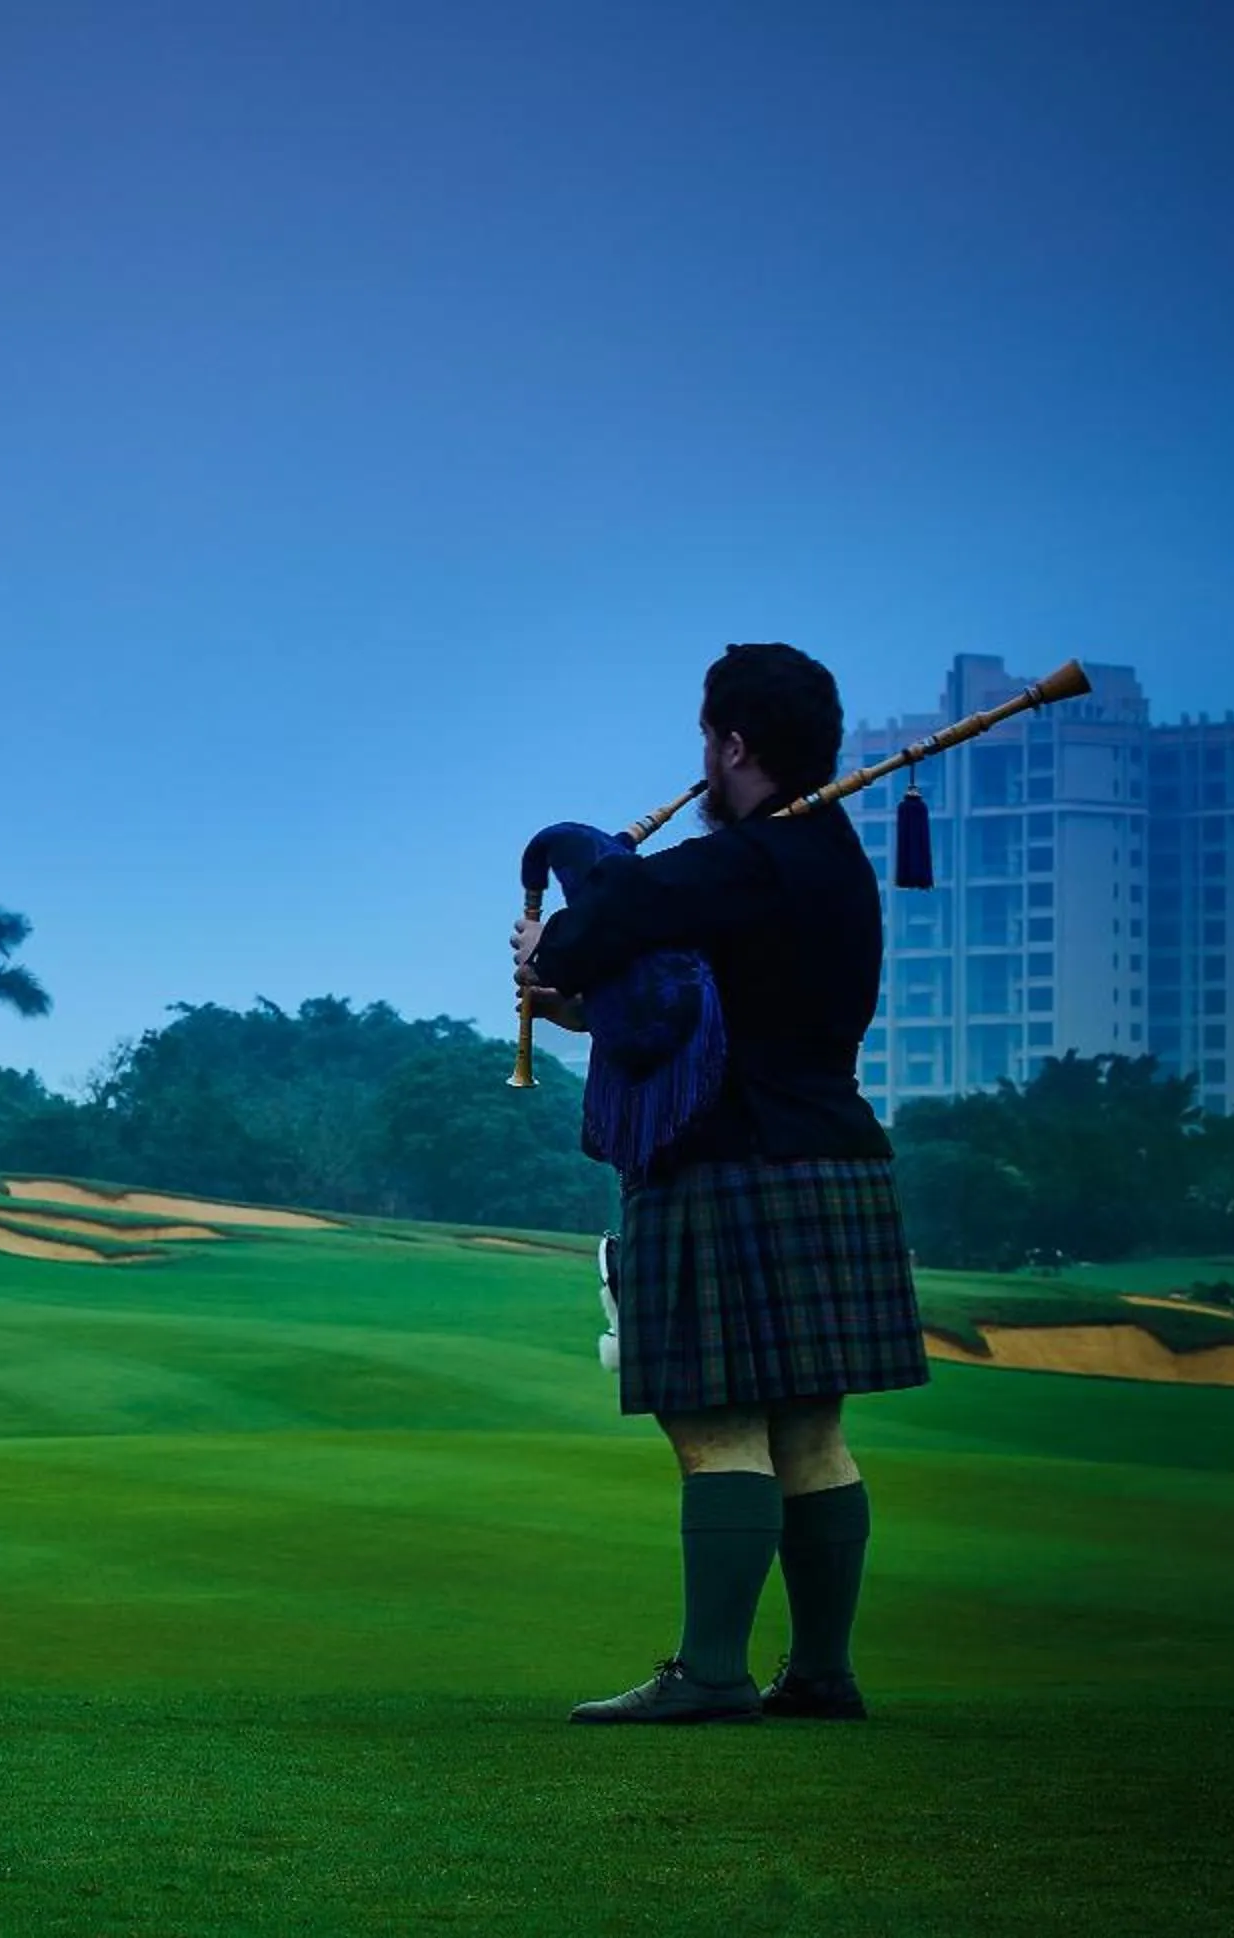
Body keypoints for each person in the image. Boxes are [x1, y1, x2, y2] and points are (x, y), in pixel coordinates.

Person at [512, 641, 928, 1726]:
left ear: (733, 745)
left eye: (707, 738)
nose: (701, 758)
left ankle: (710, 1674)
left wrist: (545, 947)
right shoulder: (835, 861)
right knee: (811, 1433)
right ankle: (822, 1675)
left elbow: (596, 924)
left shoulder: (742, 862)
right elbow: (693, 999)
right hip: (835, 1153)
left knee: (716, 1425)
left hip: (729, 1164)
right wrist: (583, 1002)